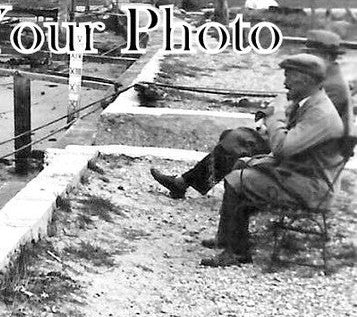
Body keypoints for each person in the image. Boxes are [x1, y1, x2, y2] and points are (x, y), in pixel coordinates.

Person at [150, 30, 352, 198]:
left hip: (308, 155)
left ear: (327, 56)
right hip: (299, 141)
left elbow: (303, 122)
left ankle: (195, 184)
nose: (307, 58)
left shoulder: (332, 86)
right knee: (234, 136)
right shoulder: (320, 76)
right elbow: (290, 105)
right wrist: (268, 114)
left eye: (312, 53)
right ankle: (190, 182)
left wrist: (271, 122)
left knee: (237, 139)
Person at [201, 53, 347, 267]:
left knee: (236, 179)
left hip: (312, 187)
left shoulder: (321, 113)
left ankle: (238, 252)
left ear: (306, 80)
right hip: (303, 174)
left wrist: (274, 117)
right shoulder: (312, 103)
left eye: (289, 76)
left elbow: (282, 149)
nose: (285, 82)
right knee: (241, 164)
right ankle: (226, 237)